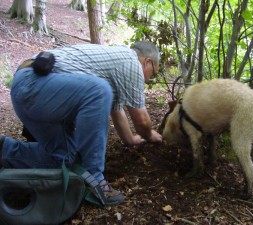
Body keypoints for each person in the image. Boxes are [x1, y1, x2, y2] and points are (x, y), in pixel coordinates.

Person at [0, 41, 162, 205]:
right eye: (153, 73)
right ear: (147, 61)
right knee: (99, 90)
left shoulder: (116, 67)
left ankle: (5, 150)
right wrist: (150, 135)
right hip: (34, 83)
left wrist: (131, 140)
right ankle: (94, 180)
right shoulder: (131, 61)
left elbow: (117, 111)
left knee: (65, 160)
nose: (149, 79)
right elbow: (141, 120)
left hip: (29, 91)